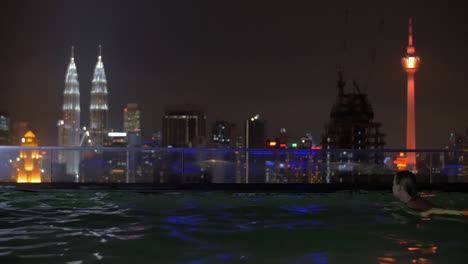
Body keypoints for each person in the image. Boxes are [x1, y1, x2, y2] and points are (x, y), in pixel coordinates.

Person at [392, 170, 467, 216]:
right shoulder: (414, 201)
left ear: (399, 187)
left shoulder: (412, 204)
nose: (392, 187)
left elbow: (437, 211)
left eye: (393, 184)